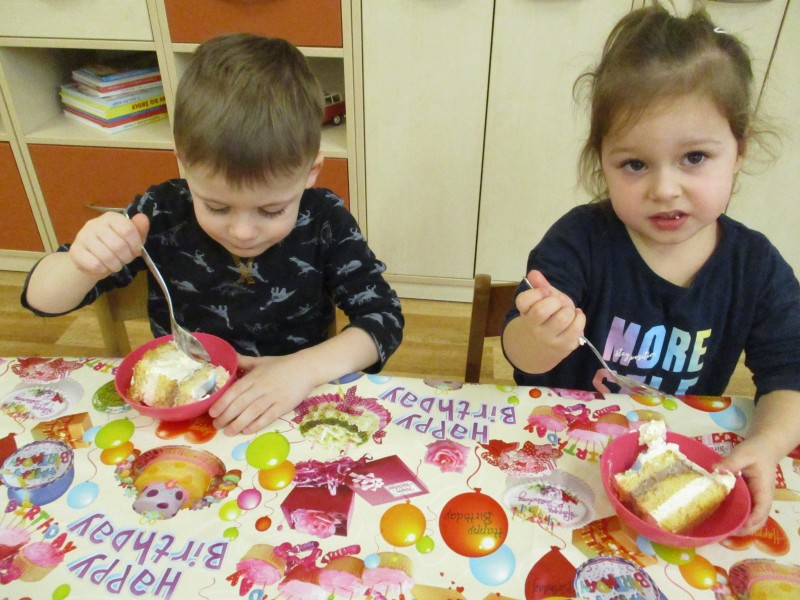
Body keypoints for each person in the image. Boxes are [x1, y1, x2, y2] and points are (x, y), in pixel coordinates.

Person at [501, 3, 800, 534]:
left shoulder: (755, 267)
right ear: (602, 163)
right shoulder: (580, 239)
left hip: (674, 471)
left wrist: (768, 443)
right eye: (635, 164)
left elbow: (791, 375)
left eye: (694, 158)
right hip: (568, 460)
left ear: (739, 150)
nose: (664, 189)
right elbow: (518, 352)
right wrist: (540, 336)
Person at [23, 34, 404, 436]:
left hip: (289, 405)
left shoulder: (324, 219)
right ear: (184, 164)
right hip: (182, 409)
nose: (243, 232)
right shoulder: (160, 213)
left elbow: (383, 319)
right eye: (217, 207)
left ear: (311, 172)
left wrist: (303, 369)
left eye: (271, 210)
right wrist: (82, 264)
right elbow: (41, 300)